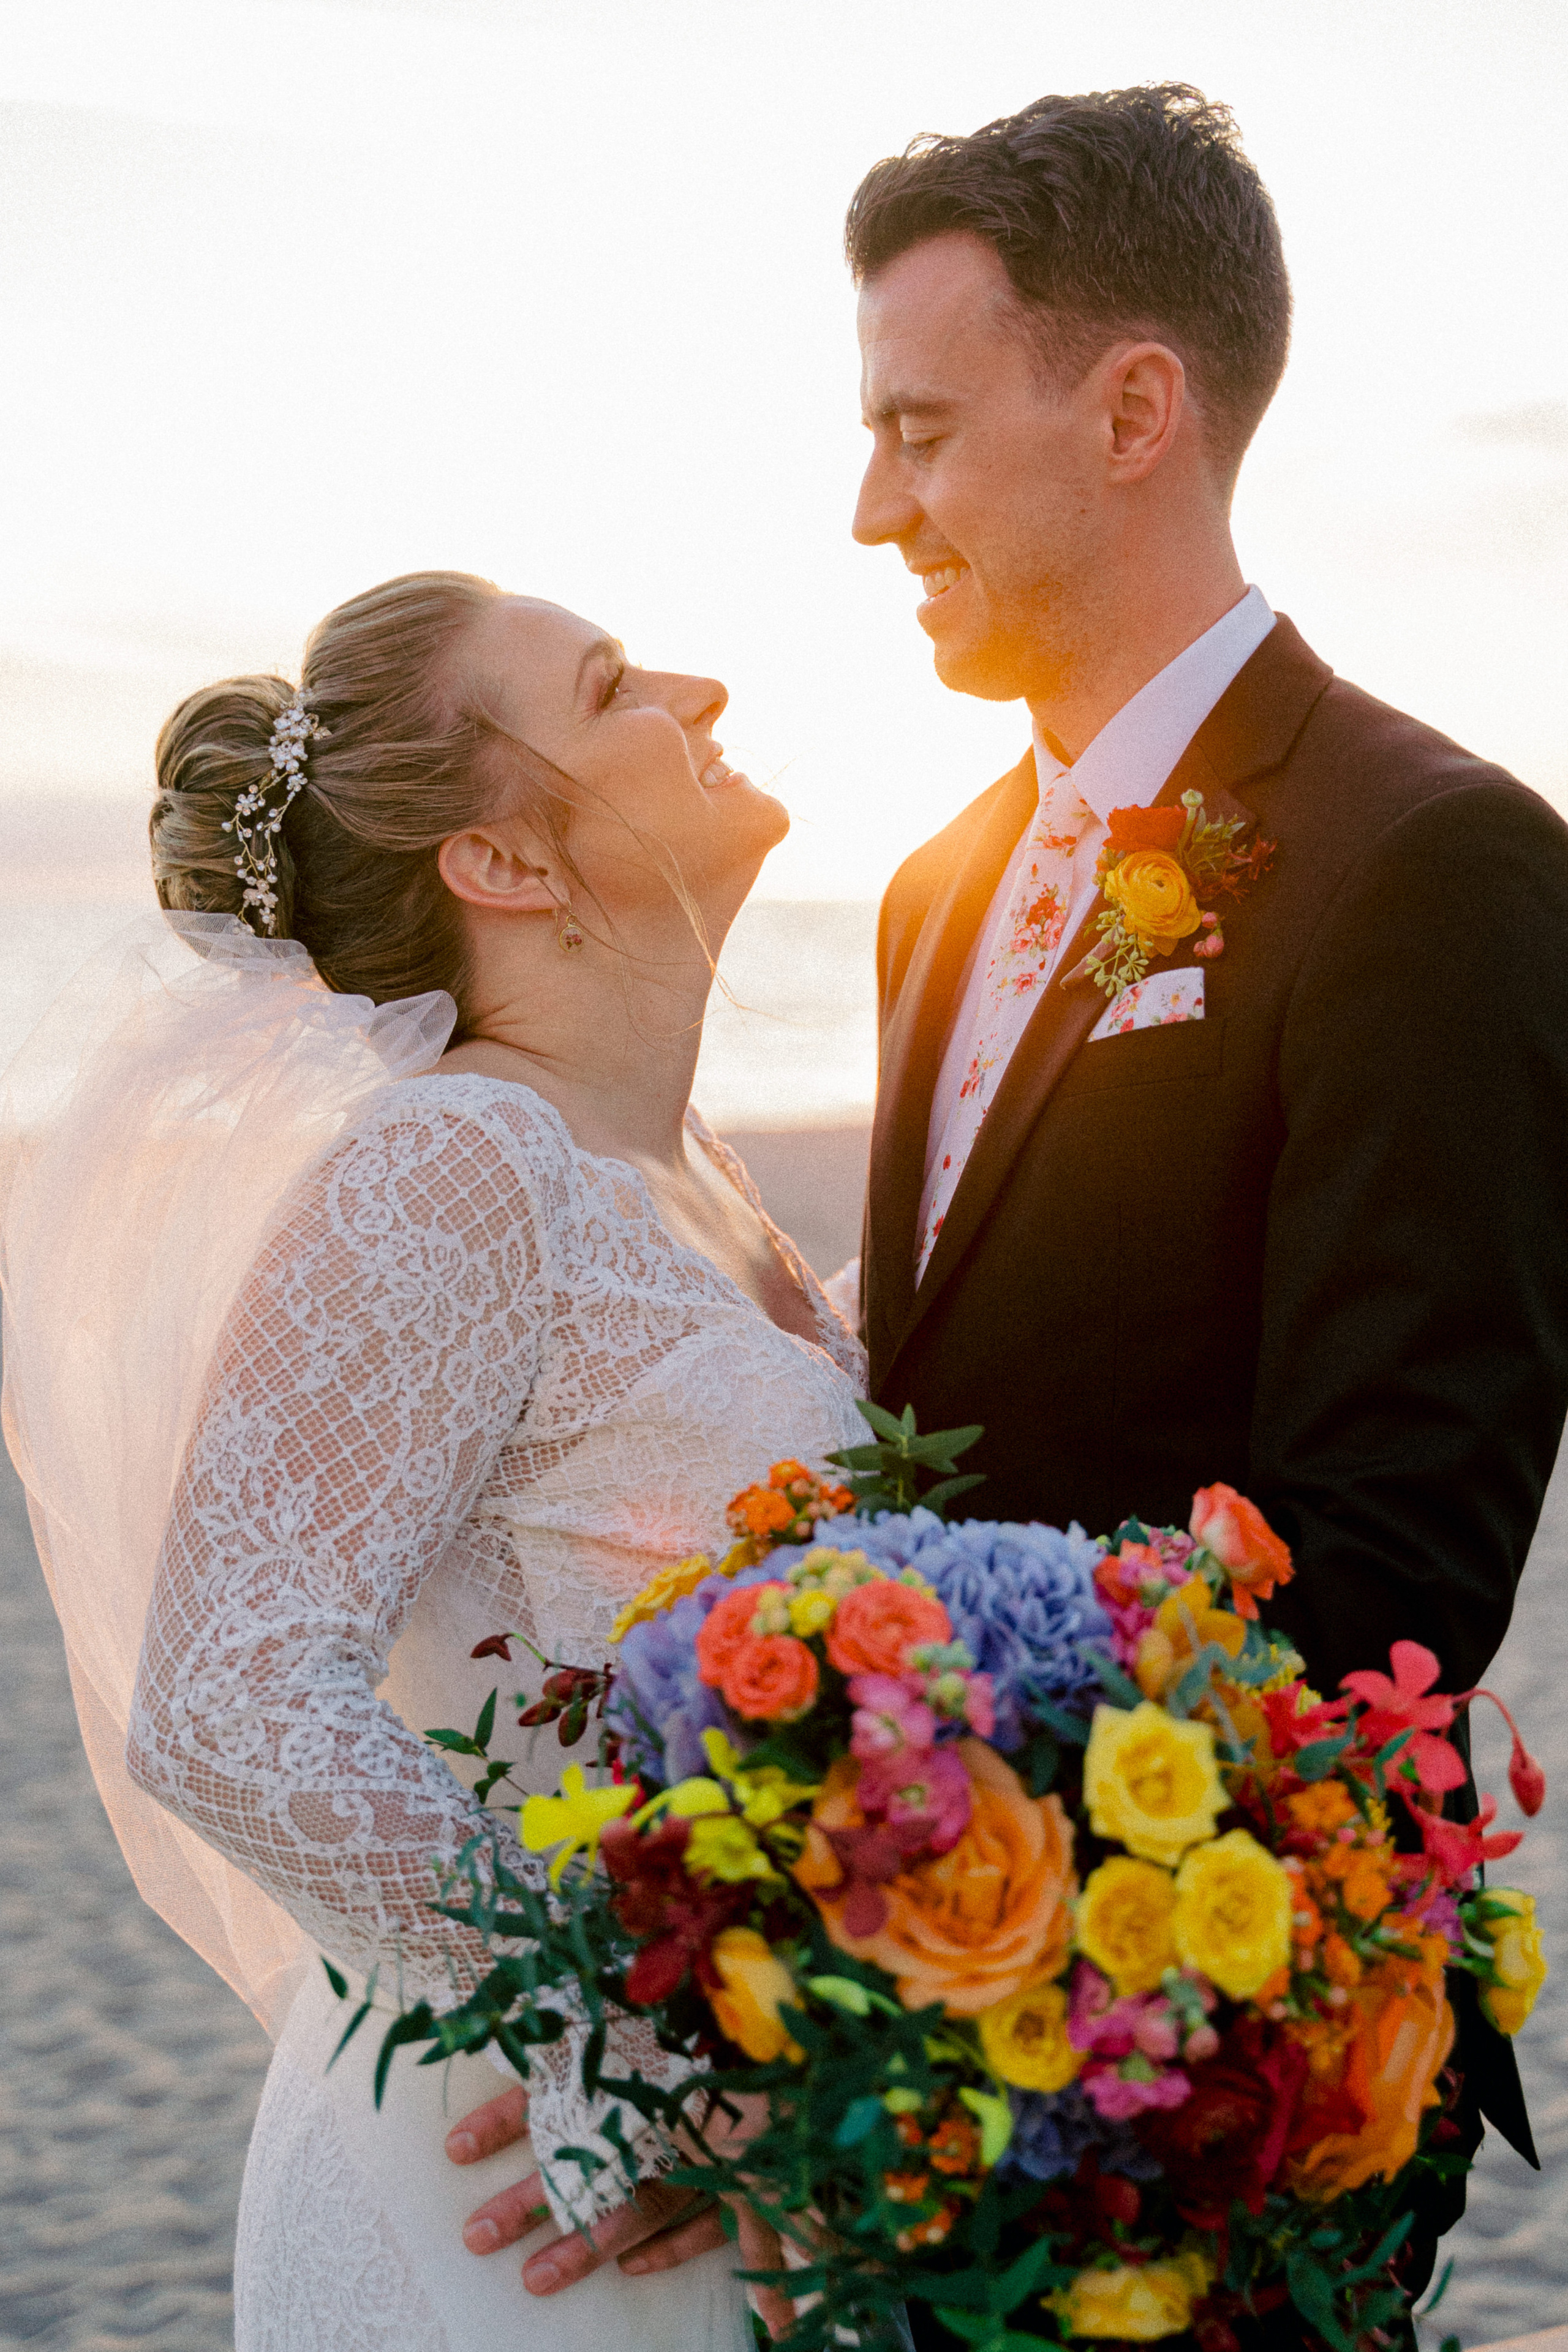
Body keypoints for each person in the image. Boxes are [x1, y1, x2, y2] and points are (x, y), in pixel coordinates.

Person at [842, 83, 1568, 2343]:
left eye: (926, 431)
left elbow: (1393, 1556)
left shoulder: (1437, 865)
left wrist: (1043, 1955)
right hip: (911, 2017)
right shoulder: (933, 892)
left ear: (1135, 406)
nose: (875, 507)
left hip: (1228, 2055)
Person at [0, 570, 861, 2350]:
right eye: (617, 683)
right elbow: (228, 1697)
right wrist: (631, 2032)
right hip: (516, 2194)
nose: (699, 688)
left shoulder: (691, 1176)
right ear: (505, 866)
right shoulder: (461, 1164)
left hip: (746, 2164)